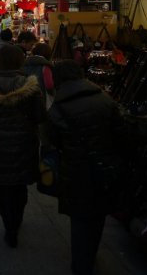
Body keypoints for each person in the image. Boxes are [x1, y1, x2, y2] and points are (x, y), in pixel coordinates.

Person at [45, 60, 126, 275]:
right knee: (98, 214)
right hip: (104, 167)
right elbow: (120, 134)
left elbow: (53, 140)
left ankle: (82, 264)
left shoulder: (58, 107)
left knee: (80, 219)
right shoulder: (105, 100)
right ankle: (91, 254)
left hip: (76, 169)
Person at [0, 44, 46, 248]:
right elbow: (40, 116)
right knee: (20, 185)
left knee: (4, 189)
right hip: (25, 141)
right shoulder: (31, 86)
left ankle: (9, 228)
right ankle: (17, 219)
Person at [22, 42, 55, 109]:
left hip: (26, 97)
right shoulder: (45, 66)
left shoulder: (25, 64)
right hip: (41, 99)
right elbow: (49, 85)